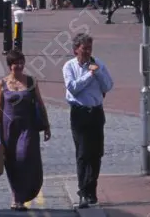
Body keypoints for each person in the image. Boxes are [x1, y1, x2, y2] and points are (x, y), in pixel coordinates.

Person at [0, 49, 51, 211]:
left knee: (24, 157)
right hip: (8, 128)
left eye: (21, 63)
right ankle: (16, 197)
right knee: (11, 161)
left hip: (28, 126)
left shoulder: (31, 82)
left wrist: (46, 125)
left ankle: (27, 191)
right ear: (10, 66)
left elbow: (40, 103)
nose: (19, 66)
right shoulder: (2, 84)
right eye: (15, 63)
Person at [62, 32, 113, 209]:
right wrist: (89, 76)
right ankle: (83, 192)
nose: (88, 52)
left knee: (96, 153)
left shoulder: (98, 64)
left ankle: (92, 190)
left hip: (97, 113)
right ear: (76, 49)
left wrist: (97, 73)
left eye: (90, 49)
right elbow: (73, 88)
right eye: (84, 49)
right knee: (83, 154)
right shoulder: (69, 67)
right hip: (79, 113)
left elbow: (108, 86)